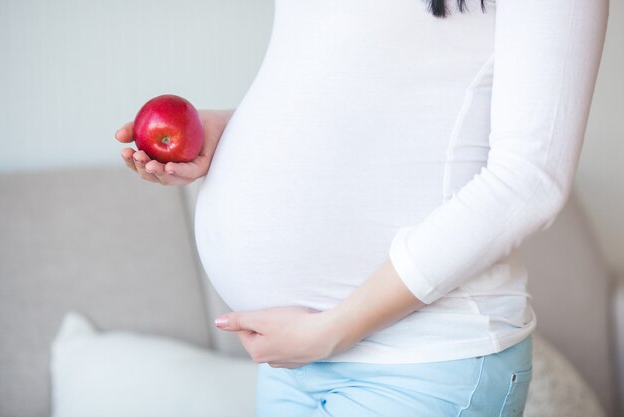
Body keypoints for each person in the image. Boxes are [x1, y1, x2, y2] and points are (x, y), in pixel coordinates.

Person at [115, 0, 609, 415]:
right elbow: (356, 83)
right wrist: (237, 131)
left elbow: (530, 180)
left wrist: (332, 330)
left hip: (422, 363)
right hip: (294, 362)